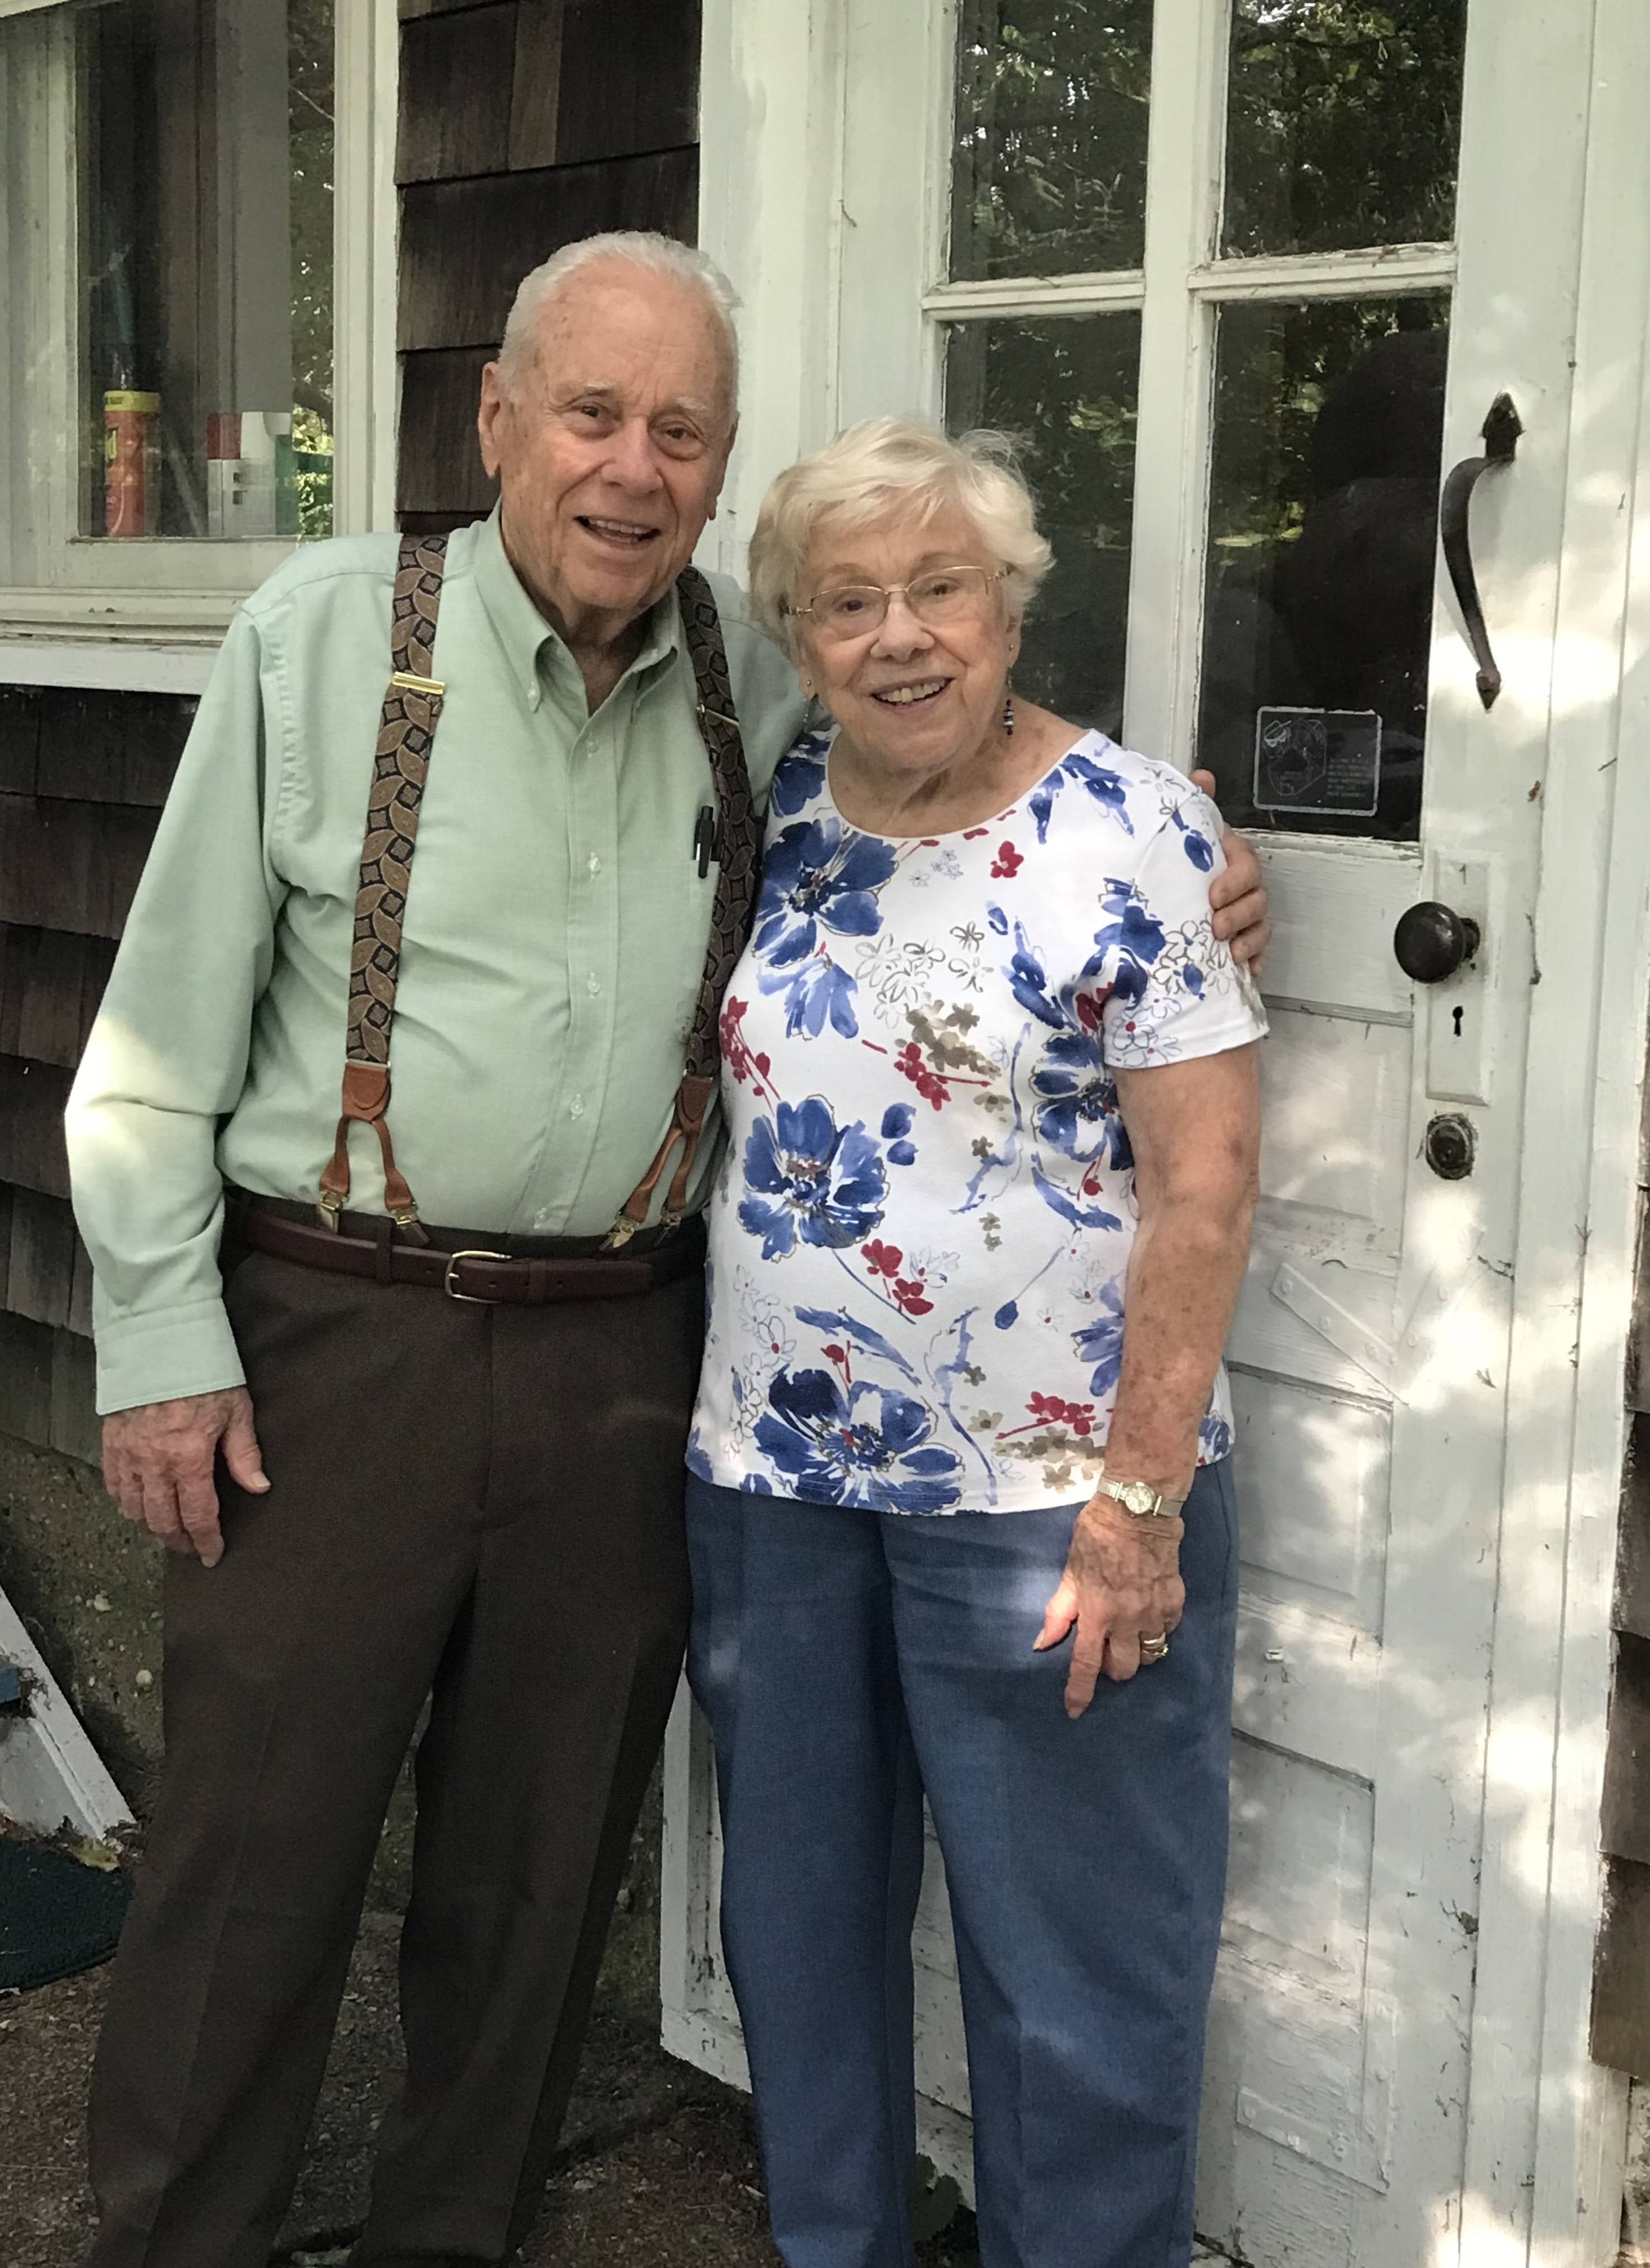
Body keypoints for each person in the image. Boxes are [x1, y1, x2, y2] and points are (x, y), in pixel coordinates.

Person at [65, 235, 1267, 2268]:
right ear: (500, 421)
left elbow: (979, 777)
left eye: (681, 430)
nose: (632, 468)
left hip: (631, 1357)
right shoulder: (331, 634)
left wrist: (1174, 846)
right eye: (595, 415)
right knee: (251, 1864)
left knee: (537, 1886)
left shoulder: (750, 688)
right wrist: (157, 1331)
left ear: (715, 477)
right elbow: (157, 1026)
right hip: (337, 1345)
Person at [684, 418, 1265, 2268]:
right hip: (776, 1486)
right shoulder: (773, 809)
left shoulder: (1137, 835)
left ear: (1009, 606)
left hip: (1050, 1504)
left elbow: (1206, 1189)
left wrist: (1139, 1503)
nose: (899, 635)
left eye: (940, 586)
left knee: (1077, 1988)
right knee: (797, 1942)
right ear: (798, 639)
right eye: (845, 604)